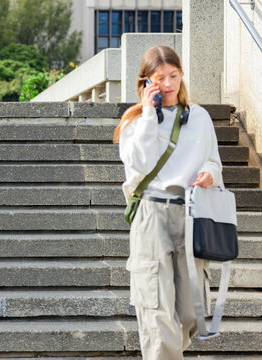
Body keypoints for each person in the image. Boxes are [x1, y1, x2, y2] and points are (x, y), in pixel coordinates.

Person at [114, 45, 223, 359]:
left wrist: (208, 174)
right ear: (146, 82)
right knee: (156, 309)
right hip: (151, 213)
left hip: (192, 214)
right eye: (159, 77)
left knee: (191, 313)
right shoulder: (134, 123)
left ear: (181, 75)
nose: (168, 83)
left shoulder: (199, 117)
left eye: (173, 75)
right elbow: (138, 164)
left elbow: (214, 162)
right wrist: (150, 114)